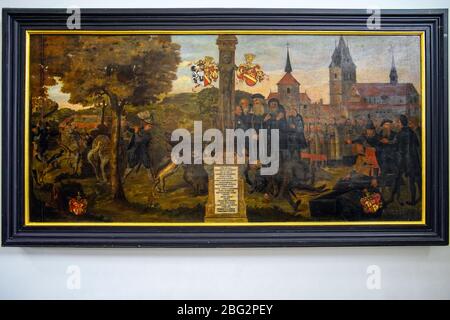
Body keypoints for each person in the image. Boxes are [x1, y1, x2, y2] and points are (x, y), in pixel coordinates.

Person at [392, 114, 421, 205]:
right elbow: (417, 144)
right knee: (412, 181)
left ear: (401, 123)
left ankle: (395, 198)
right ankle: (413, 200)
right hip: (414, 160)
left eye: (398, 122)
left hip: (405, 161)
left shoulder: (400, 134)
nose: (397, 124)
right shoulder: (412, 132)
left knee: (398, 178)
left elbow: (398, 148)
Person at [125, 111, 153, 179]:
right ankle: (123, 178)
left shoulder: (147, 134)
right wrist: (127, 127)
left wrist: (136, 133)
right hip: (135, 152)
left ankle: (153, 180)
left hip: (142, 152)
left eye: (142, 121)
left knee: (148, 167)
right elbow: (131, 130)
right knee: (130, 166)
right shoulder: (141, 128)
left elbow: (139, 141)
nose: (141, 122)